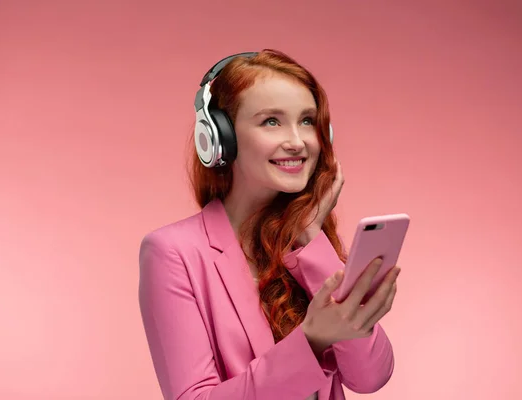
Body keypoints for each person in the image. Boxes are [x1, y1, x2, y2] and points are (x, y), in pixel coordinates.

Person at [138, 49, 401, 400]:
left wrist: (312, 240)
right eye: (271, 122)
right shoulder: (172, 252)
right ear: (219, 139)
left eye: (307, 120)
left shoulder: (311, 246)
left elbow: (369, 377)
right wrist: (312, 341)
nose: (297, 142)